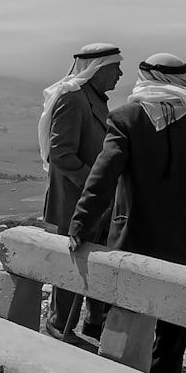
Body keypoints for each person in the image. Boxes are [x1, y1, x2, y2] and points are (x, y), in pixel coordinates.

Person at [69, 54, 186, 373]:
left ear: (147, 79)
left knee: (124, 321)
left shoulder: (127, 118)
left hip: (137, 241)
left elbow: (102, 178)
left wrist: (81, 225)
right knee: (173, 334)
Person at [37, 43, 123, 340]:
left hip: (93, 200)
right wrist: (94, 184)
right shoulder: (74, 99)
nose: (120, 74)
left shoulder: (95, 99)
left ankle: (89, 322)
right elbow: (61, 153)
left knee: (91, 261)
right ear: (98, 69)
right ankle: (59, 324)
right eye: (115, 68)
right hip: (74, 200)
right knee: (72, 263)